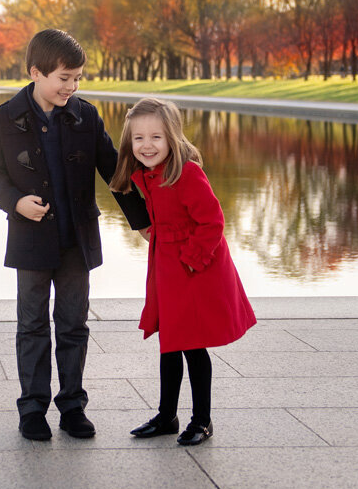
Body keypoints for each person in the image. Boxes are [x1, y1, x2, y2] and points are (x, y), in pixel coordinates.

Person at [0, 29, 151, 441]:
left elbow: (114, 171)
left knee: (73, 324)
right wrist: (16, 202)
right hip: (31, 239)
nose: (71, 87)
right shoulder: (5, 117)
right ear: (36, 72)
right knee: (33, 325)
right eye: (64, 78)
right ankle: (33, 409)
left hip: (77, 239)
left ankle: (73, 406)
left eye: (77, 78)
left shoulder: (85, 115)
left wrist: (144, 221)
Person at [109, 97, 255, 446]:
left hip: (194, 268)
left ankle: (202, 421)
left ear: (172, 137)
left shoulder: (187, 173)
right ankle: (166, 416)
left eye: (156, 137)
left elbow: (213, 222)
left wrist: (190, 259)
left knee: (192, 346)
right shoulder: (143, 173)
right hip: (166, 265)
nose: (146, 145)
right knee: (169, 343)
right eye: (139, 138)